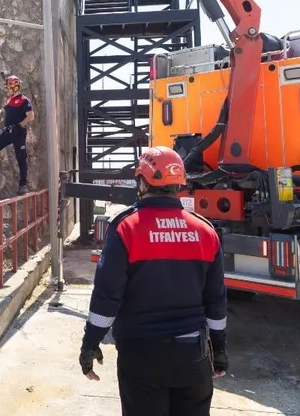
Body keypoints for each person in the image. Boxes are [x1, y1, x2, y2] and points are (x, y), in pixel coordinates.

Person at [79, 146, 228, 415]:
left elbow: (107, 296)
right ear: (179, 184)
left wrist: (90, 343)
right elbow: (216, 300)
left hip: (141, 354)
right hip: (192, 356)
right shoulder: (205, 231)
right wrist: (219, 349)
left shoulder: (126, 227)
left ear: (142, 182)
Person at [0, 75, 33, 194]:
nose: (6, 90)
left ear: (15, 87)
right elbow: (1, 112)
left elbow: (31, 116)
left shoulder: (24, 100)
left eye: (8, 88)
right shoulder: (9, 101)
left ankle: (23, 185)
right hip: (8, 131)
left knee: (21, 159)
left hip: (18, 133)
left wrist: (19, 125)